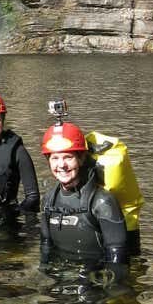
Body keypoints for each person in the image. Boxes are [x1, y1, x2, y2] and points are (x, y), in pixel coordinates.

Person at [39, 121, 128, 282]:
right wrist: (45, 279)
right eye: (55, 158)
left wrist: (111, 290)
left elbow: (117, 257)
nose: (61, 165)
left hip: (96, 280)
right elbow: (46, 246)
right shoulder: (48, 200)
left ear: (81, 159)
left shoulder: (102, 202)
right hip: (62, 278)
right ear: (48, 161)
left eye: (68, 157)